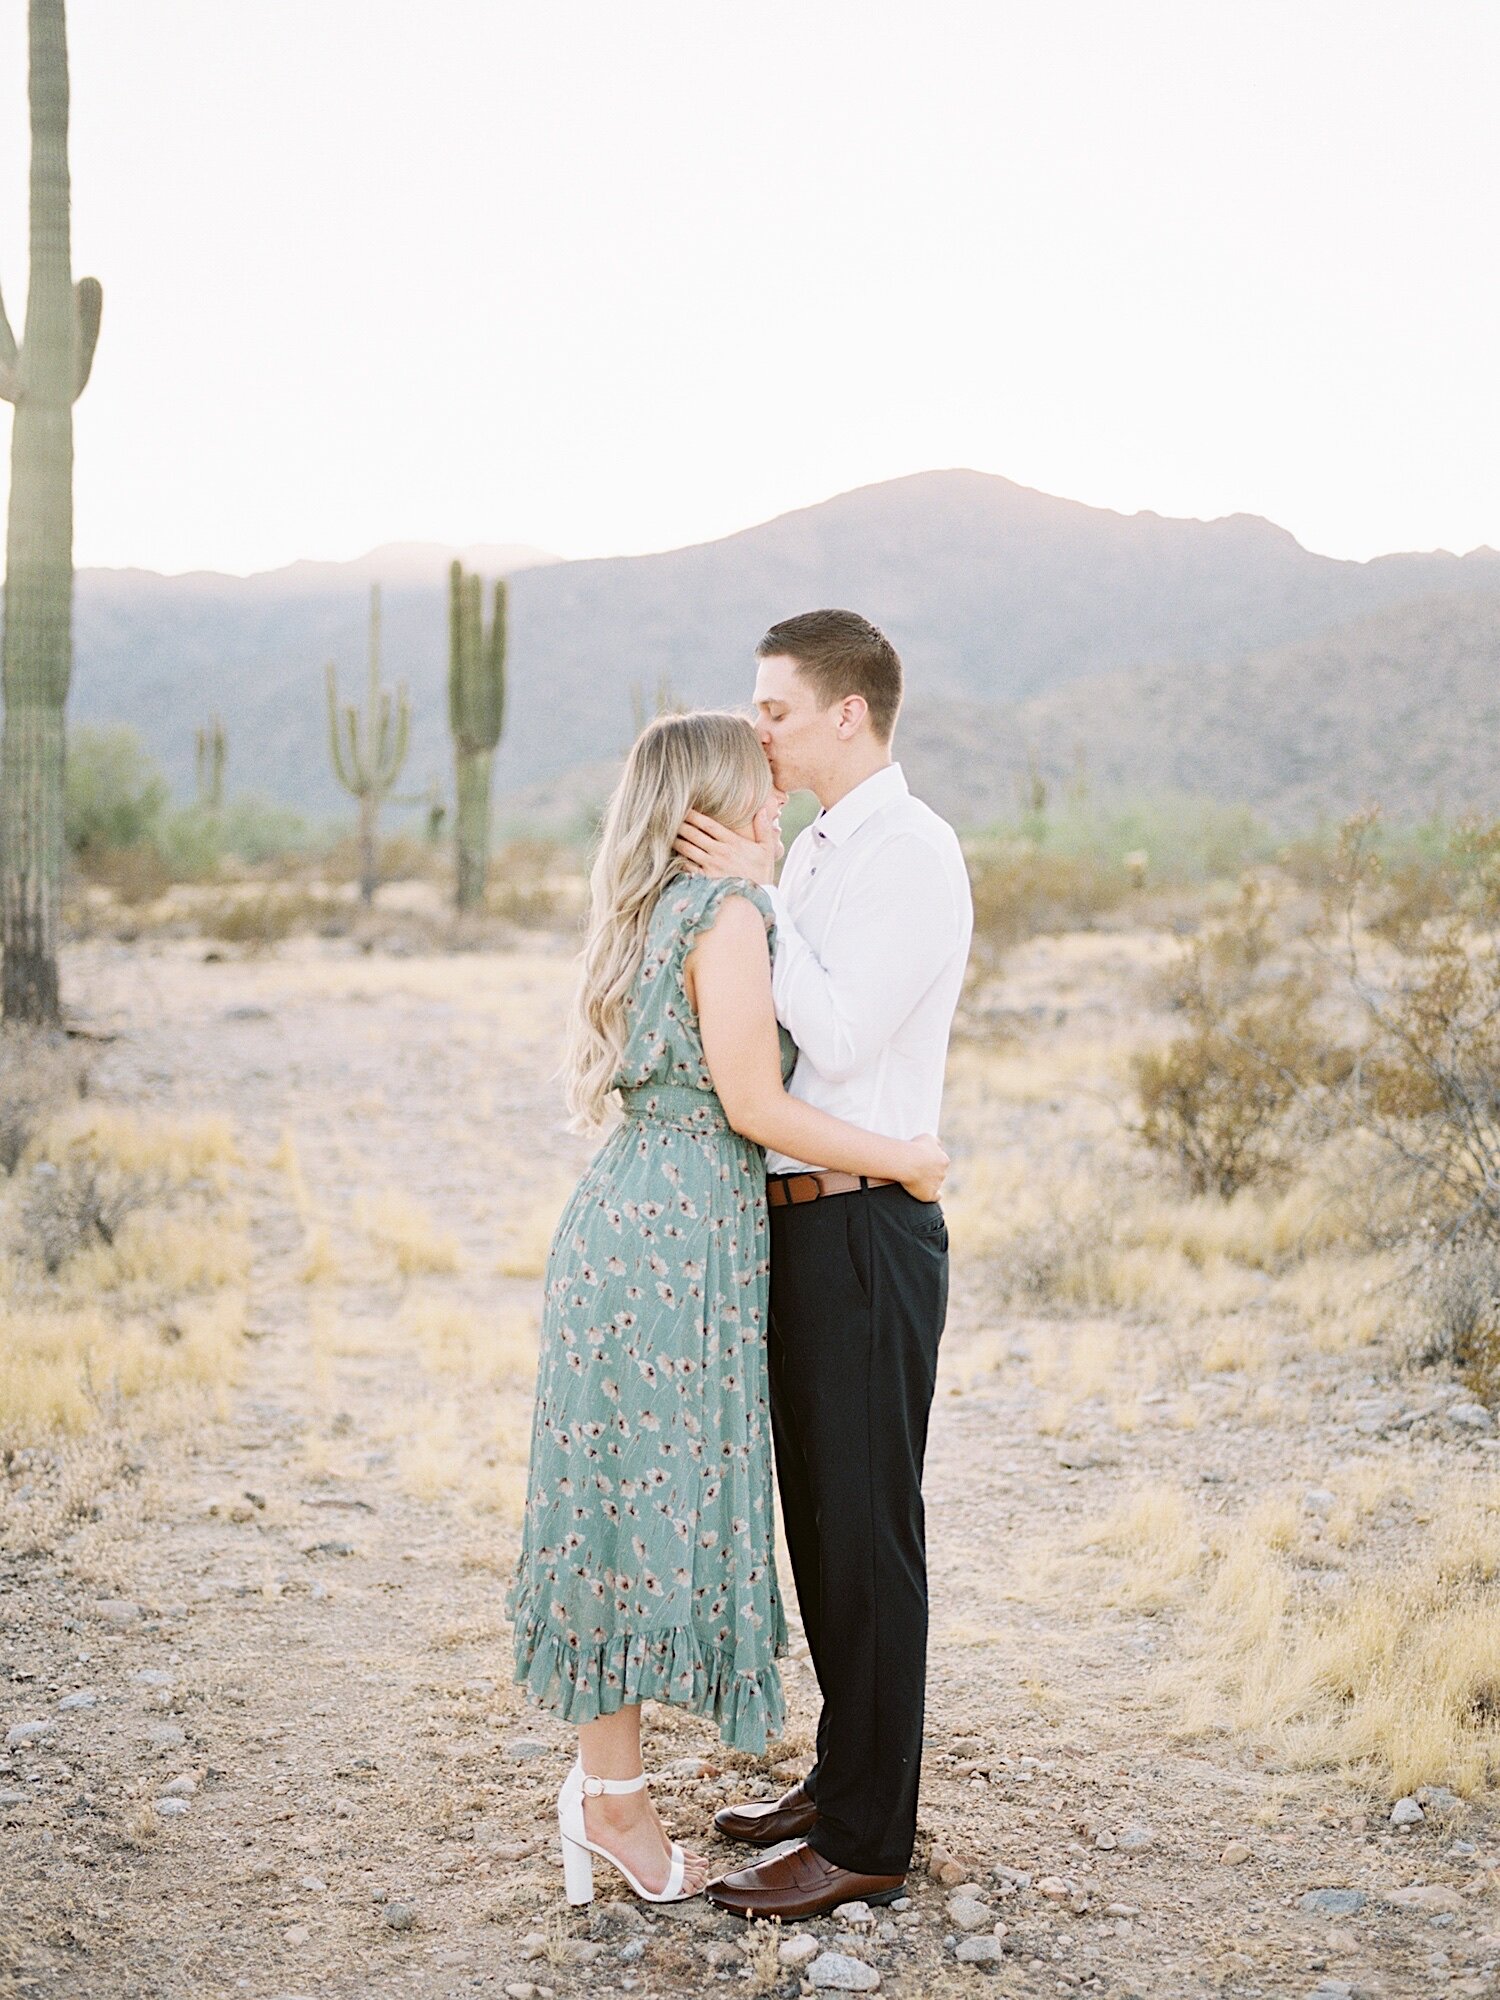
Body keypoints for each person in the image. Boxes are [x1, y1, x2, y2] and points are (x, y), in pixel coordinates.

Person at [507, 708, 948, 1908]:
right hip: (680, 1248)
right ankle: (613, 1802)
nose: (776, 806)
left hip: (617, 1227)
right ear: (707, 805)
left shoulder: (649, 908)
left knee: (606, 1511)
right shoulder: (732, 912)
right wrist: (905, 1155)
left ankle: (610, 1790)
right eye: (756, 788)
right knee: (647, 1510)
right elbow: (757, 1101)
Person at [673, 609, 973, 1922]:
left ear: (848, 712)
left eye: (776, 710)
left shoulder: (911, 852)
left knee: (869, 1533)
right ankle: (841, 1777)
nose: (759, 732)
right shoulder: (816, 851)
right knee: (823, 1524)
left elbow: (840, 1040)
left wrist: (758, 899)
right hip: (804, 1218)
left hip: (866, 1222)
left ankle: (867, 1841)